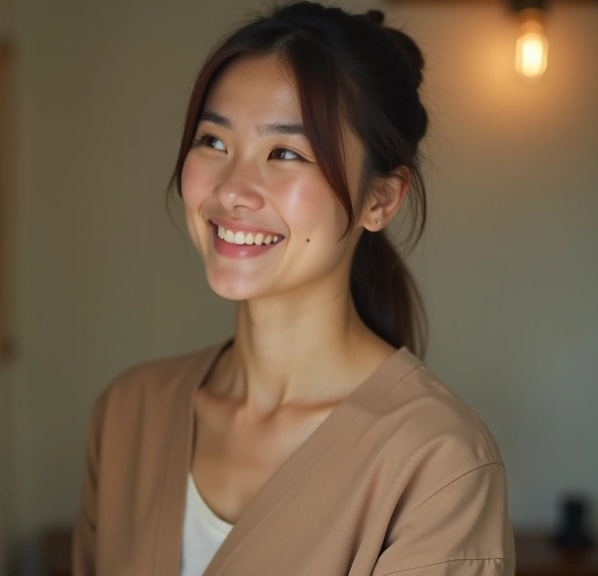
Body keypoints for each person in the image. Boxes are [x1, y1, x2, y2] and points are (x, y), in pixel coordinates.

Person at [72, 3, 514, 575]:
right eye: (212, 141)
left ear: (380, 199)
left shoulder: (439, 465)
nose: (232, 189)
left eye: (285, 153)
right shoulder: (129, 413)